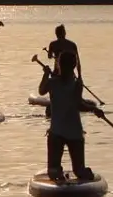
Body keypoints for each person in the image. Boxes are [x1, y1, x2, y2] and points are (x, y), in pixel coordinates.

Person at [39, 49, 102, 182]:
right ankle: (79, 173)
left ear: (59, 65)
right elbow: (79, 105)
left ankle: (58, 172)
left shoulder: (52, 82)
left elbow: (41, 90)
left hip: (57, 133)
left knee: (53, 171)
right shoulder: (76, 84)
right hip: (74, 133)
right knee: (79, 171)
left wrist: (45, 74)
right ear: (73, 66)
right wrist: (94, 109)